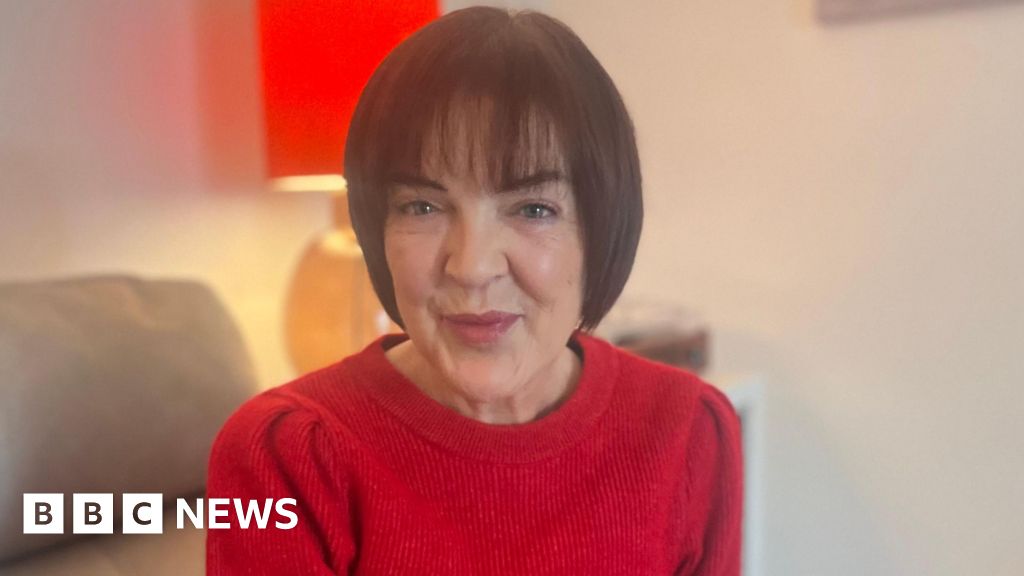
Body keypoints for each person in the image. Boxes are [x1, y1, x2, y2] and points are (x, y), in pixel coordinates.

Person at [207, 6, 742, 575]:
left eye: (533, 209)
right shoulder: (286, 457)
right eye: (422, 207)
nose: (471, 267)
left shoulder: (688, 431)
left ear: (602, 229)